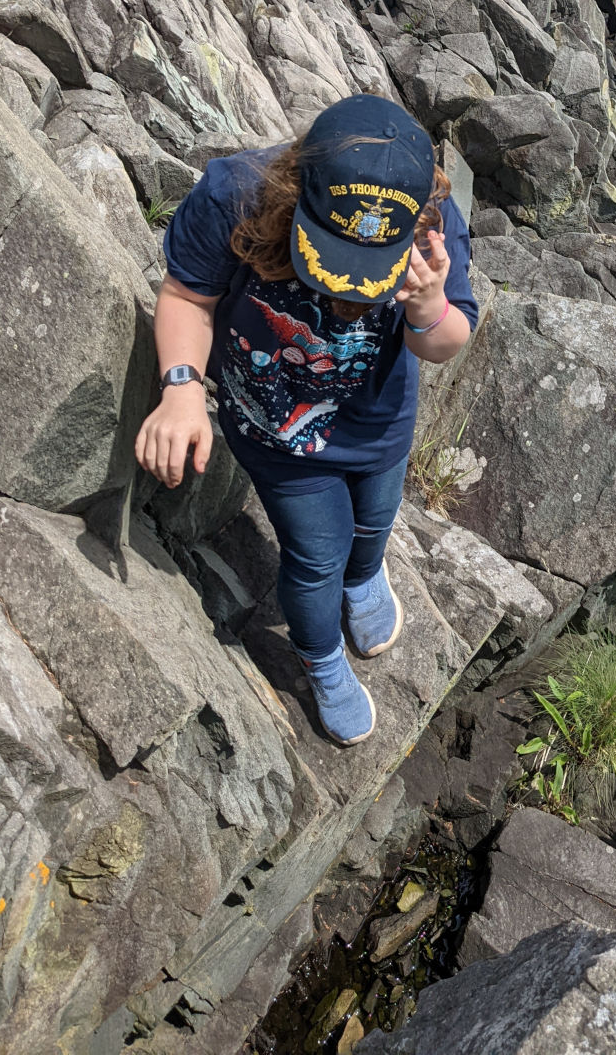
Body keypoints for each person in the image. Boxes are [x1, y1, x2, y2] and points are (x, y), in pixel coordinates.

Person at [134, 94, 478, 745]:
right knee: (316, 555)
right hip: (276, 429)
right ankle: (320, 660)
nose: (347, 293)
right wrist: (180, 389)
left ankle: (365, 575)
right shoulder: (236, 195)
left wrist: (429, 301)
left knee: (374, 521)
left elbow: (443, 343)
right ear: (298, 186)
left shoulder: (433, 224)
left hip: (376, 420)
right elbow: (187, 295)